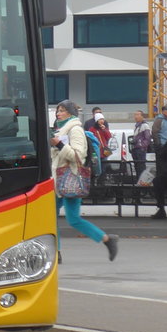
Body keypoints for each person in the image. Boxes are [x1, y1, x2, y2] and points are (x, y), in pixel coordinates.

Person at [51, 99, 119, 261]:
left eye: (61, 110)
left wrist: (59, 145)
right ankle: (56, 252)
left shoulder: (74, 129)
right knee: (54, 217)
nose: (58, 113)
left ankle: (107, 239)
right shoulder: (62, 129)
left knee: (71, 219)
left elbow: (78, 156)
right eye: (57, 110)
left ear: (70, 113)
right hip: (61, 179)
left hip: (70, 178)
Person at [130, 109, 153, 178]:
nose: (135, 116)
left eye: (137, 115)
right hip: (136, 149)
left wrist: (141, 145)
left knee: (141, 166)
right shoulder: (137, 126)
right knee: (137, 166)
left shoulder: (145, 126)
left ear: (142, 116)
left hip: (140, 149)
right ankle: (138, 180)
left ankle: (142, 181)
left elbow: (148, 138)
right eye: (135, 115)